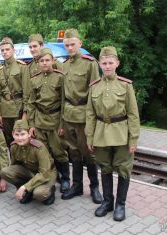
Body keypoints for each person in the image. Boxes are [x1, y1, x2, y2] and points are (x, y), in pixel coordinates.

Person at [86, 46, 140, 221]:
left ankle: (120, 205)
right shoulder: (94, 86)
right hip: (100, 132)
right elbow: (90, 113)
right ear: (100, 64)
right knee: (105, 167)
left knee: (124, 169)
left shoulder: (126, 85)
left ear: (117, 63)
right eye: (104, 63)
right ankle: (108, 202)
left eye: (110, 63)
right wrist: (89, 136)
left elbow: (133, 114)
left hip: (122, 133)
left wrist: (133, 139)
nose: (107, 66)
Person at [59, 29, 102, 204]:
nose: (70, 48)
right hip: (68, 114)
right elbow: (62, 95)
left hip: (84, 115)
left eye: (72, 44)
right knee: (74, 152)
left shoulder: (90, 63)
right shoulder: (64, 65)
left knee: (89, 153)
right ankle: (77, 186)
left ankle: (94, 188)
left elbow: (94, 93)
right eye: (67, 45)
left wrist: (93, 121)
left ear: (80, 43)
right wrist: (62, 120)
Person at [28, 48, 70, 193]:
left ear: (53, 61)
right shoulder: (34, 79)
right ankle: (52, 177)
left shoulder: (60, 77)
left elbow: (65, 102)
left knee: (59, 151)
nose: (44, 63)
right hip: (40, 120)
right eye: (42, 61)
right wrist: (31, 125)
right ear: (38, 62)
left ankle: (65, 179)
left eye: (47, 60)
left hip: (55, 120)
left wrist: (62, 124)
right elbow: (31, 103)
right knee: (44, 152)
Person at [1, 120, 57, 205]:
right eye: (17, 135)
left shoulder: (38, 147)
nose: (20, 138)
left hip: (47, 174)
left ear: (29, 134)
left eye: (23, 134)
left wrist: (24, 187)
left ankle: (51, 190)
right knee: (5, 172)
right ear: (12, 134)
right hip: (30, 172)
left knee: (39, 194)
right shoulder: (14, 146)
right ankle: (29, 192)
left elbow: (44, 173)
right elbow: (14, 166)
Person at [0, 37, 30, 144]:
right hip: (5, 110)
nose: (5, 52)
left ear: (13, 50)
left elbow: (27, 92)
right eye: (2, 50)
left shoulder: (22, 67)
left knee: (21, 137)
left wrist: (25, 113)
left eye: (7, 49)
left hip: (18, 108)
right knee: (8, 138)